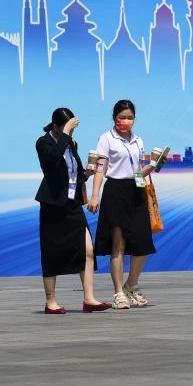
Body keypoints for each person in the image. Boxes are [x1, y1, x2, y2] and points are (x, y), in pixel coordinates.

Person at [35, 107, 110, 314]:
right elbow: (52, 161)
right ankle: (51, 301)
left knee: (87, 250)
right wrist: (66, 134)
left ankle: (89, 299)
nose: (71, 132)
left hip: (73, 204)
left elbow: (73, 173)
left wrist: (86, 173)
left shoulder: (70, 143)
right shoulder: (44, 142)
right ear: (56, 126)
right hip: (53, 204)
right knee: (51, 252)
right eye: (68, 127)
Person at [88, 100, 157, 310]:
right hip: (115, 191)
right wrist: (95, 195)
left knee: (143, 242)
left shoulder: (138, 140)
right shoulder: (106, 138)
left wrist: (152, 166)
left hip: (136, 190)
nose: (126, 121)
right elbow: (100, 169)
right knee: (118, 244)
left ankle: (131, 284)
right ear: (114, 117)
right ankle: (119, 292)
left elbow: (137, 172)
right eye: (122, 117)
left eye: (130, 117)